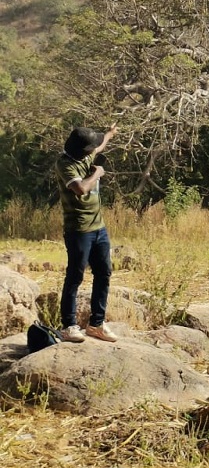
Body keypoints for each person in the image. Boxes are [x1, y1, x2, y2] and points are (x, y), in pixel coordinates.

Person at [54, 122, 120, 343]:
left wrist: (109, 133)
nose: (94, 150)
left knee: (104, 273)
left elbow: (99, 147)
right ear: (82, 151)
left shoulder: (85, 155)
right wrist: (98, 174)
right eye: (90, 148)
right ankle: (69, 326)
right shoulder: (65, 164)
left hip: (99, 228)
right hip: (79, 230)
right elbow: (81, 189)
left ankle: (96, 324)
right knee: (75, 276)